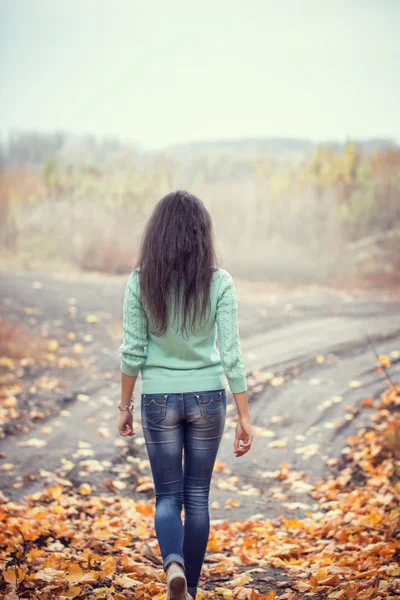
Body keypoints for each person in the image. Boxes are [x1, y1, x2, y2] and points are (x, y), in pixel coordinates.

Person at [117, 190, 253, 600]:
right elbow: (231, 354)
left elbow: (132, 350)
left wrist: (124, 406)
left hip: (158, 398)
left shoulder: (141, 281)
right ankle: (189, 590)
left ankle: (172, 563)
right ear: (202, 234)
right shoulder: (220, 282)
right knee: (197, 497)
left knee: (167, 496)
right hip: (208, 399)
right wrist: (245, 416)